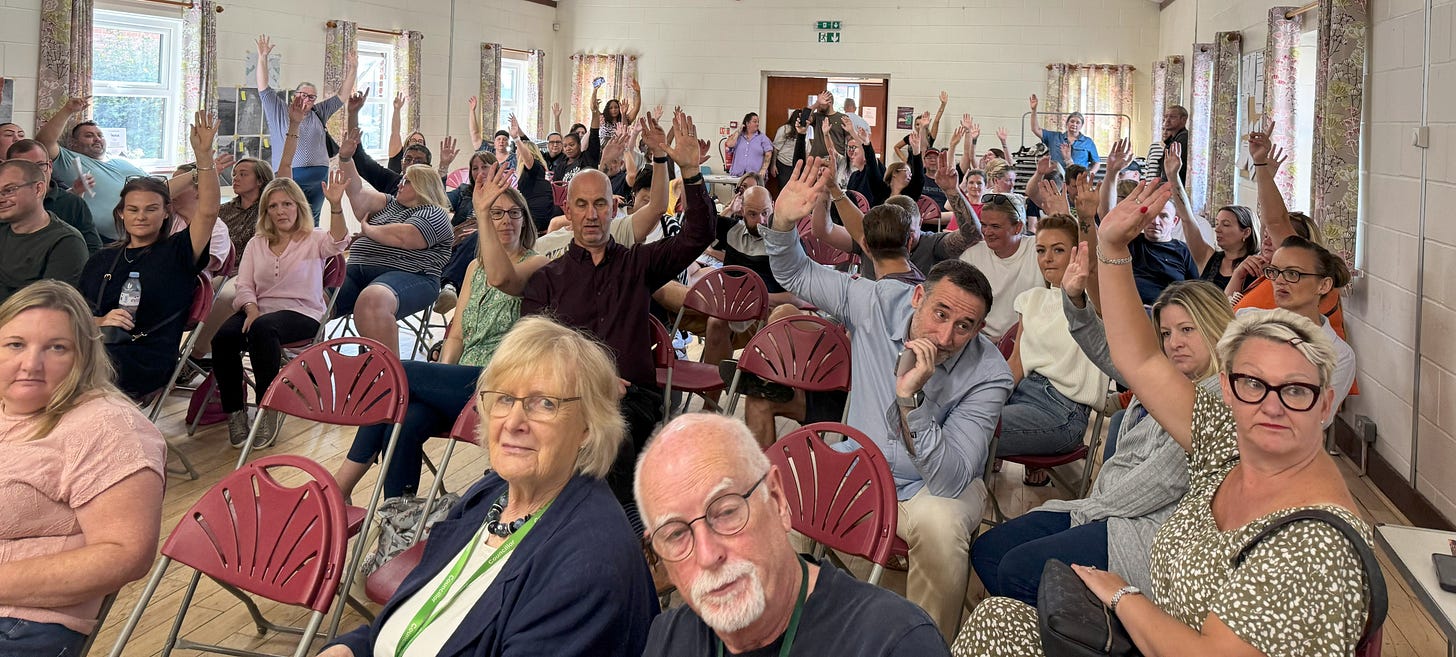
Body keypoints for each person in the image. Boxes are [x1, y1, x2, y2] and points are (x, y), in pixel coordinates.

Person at [956, 180, 1378, 657]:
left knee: (1012, 590)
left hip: (1154, 629)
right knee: (995, 617)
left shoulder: (1314, 543)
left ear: (1325, 404)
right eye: (1252, 384)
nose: (1271, 405)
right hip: (1147, 605)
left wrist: (1122, 598)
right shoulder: (1226, 439)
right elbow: (1138, 359)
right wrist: (1110, 244)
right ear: (1226, 388)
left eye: (1295, 390)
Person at [750, 157, 1012, 641]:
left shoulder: (989, 373)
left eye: (965, 326)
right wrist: (783, 224)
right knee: (789, 480)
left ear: (979, 330)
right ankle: (782, 626)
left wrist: (913, 403)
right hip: (860, 465)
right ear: (916, 298)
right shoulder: (873, 302)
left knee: (941, 524)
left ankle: (926, 643)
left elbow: (952, 477)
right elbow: (796, 273)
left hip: (931, 487)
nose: (946, 336)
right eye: (940, 314)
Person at [321, 317, 659, 657]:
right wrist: (353, 648)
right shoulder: (490, 496)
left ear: (588, 426)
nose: (513, 422)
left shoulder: (587, 565)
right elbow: (413, 621)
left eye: (545, 403)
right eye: (504, 399)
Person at [971, 249, 1234, 604]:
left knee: (1017, 570)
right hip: (1108, 510)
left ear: (1215, 327)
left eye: (1187, 330)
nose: (1174, 343)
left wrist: (1089, 510)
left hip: (1143, 531)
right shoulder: (1164, 379)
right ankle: (1050, 624)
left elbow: (1163, 481)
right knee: (988, 551)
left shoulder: (1219, 394)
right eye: (1166, 333)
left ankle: (1089, 626)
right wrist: (1075, 300)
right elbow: (1107, 350)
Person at [511, 109, 710, 521]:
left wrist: (690, 173)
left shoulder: (638, 264)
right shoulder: (547, 280)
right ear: (568, 209)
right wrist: (588, 381)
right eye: (582, 205)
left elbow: (698, 235)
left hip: (631, 401)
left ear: (613, 208)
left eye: (600, 204)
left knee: (610, 443)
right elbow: (532, 355)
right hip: (567, 397)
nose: (591, 215)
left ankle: (619, 537)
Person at [635, 413, 951, 657]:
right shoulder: (667, 639)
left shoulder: (895, 642)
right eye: (675, 534)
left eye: (727, 511)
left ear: (777, 500)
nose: (707, 555)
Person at [336, 164, 541, 500]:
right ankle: (396, 512)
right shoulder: (473, 267)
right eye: (496, 213)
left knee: (396, 375)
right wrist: (440, 376)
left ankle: (338, 488)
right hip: (461, 382)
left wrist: (435, 379)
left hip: (502, 383)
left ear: (525, 220)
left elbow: (503, 278)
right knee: (405, 417)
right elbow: (456, 335)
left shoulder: (537, 263)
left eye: (513, 213)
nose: (505, 220)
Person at [0, 280, 166, 656]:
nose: (30, 364)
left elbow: (125, 553)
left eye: (56, 347)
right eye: (15, 344)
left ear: (83, 356)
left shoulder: (108, 427)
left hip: (22, 623)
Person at [78, 112, 220, 400]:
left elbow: (208, 212)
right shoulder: (102, 259)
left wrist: (203, 158)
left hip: (144, 357)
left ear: (166, 212)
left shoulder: (178, 252)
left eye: (151, 209)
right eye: (133, 209)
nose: (141, 216)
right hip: (94, 345)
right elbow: (76, 314)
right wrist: (101, 321)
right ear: (121, 213)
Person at [212, 172, 349, 449]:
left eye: (286, 204)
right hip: (259, 311)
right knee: (223, 338)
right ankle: (235, 412)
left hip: (303, 313)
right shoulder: (257, 243)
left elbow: (339, 241)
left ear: (298, 206)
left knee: (263, 329)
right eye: (273, 206)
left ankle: (268, 408)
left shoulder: (314, 238)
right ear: (266, 212)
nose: (280, 211)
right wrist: (250, 308)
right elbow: (244, 284)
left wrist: (335, 205)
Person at [995, 215, 1110, 485]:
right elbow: (1016, 363)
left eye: (1058, 250)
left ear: (1077, 254)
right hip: (1021, 396)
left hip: (1062, 411)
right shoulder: (1030, 299)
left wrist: (1086, 217)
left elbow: (1093, 267)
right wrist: (987, 399)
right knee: (960, 414)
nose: (1047, 258)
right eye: (1040, 250)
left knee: (971, 428)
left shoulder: (1091, 301)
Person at [333, 125, 454, 356]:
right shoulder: (389, 203)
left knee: (372, 300)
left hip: (411, 275)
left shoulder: (434, 212)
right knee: (312, 293)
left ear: (422, 185)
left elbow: (405, 237)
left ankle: (386, 372)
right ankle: (300, 361)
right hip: (358, 271)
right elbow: (357, 192)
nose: (399, 184)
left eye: (406, 181)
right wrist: (345, 158)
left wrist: (368, 230)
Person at [1254, 235, 1357, 427]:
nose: (1279, 281)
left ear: (1323, 285)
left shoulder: (1338, 355)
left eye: (1293, 274)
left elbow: (1316, 419)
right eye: (1274, 271)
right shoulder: (1247, 320)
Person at [254, 34, 355, 220]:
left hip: (319, 176)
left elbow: (342, 95)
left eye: (312, 97)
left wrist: (353, 68)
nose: (307, 99)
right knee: (290, 218)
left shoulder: (319, 111)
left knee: (312, 219)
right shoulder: (279, 110)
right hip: (291, 175)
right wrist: (263, 57)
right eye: (303, 94)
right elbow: (263, 87)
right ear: (295, 95)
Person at [33, 97, 148, 242]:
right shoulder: (68, 159)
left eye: (100, 135)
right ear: (73, 143)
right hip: (112, 240)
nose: (97, 139)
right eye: (89, 136)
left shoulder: (121, 161)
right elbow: (43, 143)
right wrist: (68, 110)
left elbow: (158, 185)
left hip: (152, 223)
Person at [1160, 143, 1255, 291]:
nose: (1217, 229)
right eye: (1217, 223)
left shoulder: (1254, 266)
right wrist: (1173, 177)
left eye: (1226, 224)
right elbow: (1187, 218)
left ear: (1246, 232)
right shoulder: (1208, 257)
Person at [0, 159, 88, 302]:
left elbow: (53, 305)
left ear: (38, 189)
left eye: (9, 190)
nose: (1, 199)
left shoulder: (66, 242)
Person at [957, 193, 1040, 343]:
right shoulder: (972, 255)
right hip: (981, 342)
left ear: (1018, 227)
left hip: (1030, 342)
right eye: (984, 225)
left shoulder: (1038, 250)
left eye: (995, 226)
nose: (987, 232)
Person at [6, 139, 101, 254]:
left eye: (40, 165)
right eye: (25, 168)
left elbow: (94, 250)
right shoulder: (5, 204)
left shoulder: (72, 203)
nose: (35, 174)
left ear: (50, 166)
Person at [1127, 193, 1199, 306]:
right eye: (1150, 215)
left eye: (1163, 216)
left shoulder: (1184, 251)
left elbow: (1195, 291)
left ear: (1174, 222)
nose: (1155, 221)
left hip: (1168, 310)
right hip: (1131, 308)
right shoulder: (1130, 243)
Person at [1028, 94, 1099, 168]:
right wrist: (1034, 110)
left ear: (1081, 126)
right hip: (1056, 174)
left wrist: (1090, 173)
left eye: (1078, 122)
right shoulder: (1054, 137)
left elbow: (1096, 163)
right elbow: (1035, 129)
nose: (1074, 124)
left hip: (1078, 175)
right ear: (1067, 123)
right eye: (1072, 121)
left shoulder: (1088, 142)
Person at [387, 92, 427, 173]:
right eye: (413, 140)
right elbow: (395, 132)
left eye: (420, 141)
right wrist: (397, 110)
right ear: (407, 142)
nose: (417, 143)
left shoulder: (424, 160)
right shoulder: (397, 153)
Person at [726, 112, 774, 179]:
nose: (757, 124)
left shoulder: (762, 137)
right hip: (738, 175)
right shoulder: (739, 137)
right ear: (747, 123)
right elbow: (729, 144)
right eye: (755, 122)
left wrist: (763, 169)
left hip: (755, 176)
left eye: (758, 122)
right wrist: (738, 131)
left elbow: (768, 154)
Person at [1154, 105, 1190, 185]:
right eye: (1166, 117)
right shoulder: (1171, 140)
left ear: (1183, 120)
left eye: (1172, 117)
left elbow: (1178, 170)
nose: (1167, 120)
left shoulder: (1183, 138)